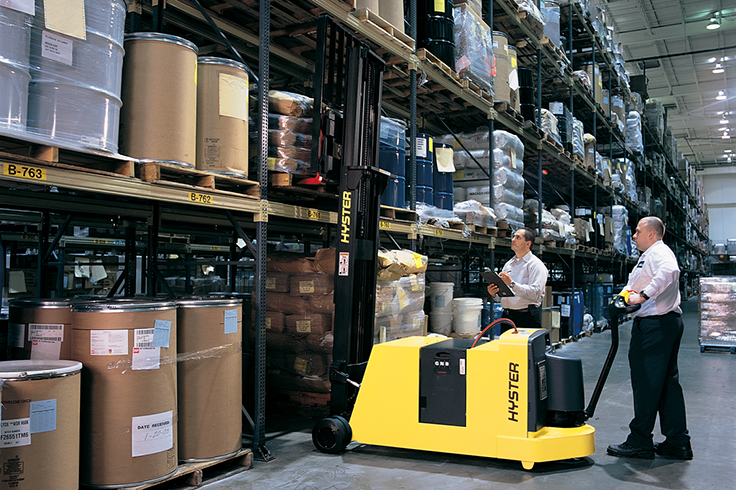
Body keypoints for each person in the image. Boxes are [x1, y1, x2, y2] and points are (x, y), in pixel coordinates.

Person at [607, 216, 692, 460]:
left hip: (656, 326)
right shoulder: (647, 257)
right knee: (666, 384)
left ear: (651, 234)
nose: (633, 236)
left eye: (637, 231)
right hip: (662, 324)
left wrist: (643, 296)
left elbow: (670, 272)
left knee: (646, 383)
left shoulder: (659, 253)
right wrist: (623, 297)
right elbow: (633, 285)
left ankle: (640, 441)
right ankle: (677, 442)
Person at [486, 227, 548, 332]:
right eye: (513, 237)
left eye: (518, 237)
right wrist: (494, 294)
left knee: (524, 343)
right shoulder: (509, 264)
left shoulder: (535, 265)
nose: (513, 240)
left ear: (528, 244)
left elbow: (536, 293)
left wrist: (512, 284)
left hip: (526, 317)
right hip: (507, 317)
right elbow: (504, 297)